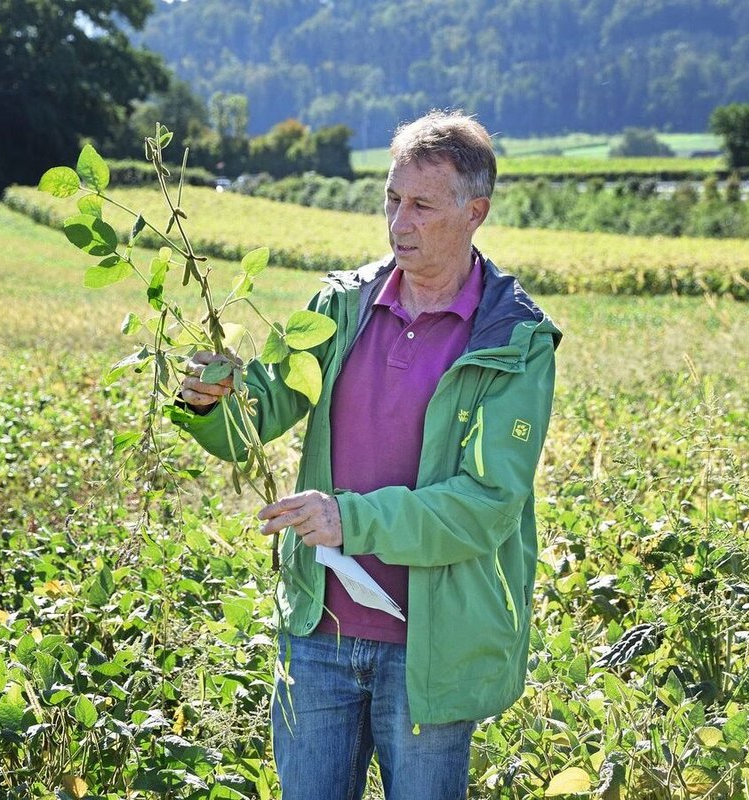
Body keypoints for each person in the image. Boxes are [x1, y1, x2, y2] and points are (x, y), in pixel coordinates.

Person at [175, 109, 562, 800]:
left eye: (420, 205)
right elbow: (258, 414)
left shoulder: (515, 339)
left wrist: (350, 519)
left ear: (475, 212)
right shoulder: (341, 304)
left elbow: (487, 505)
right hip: (319, 631)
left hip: (430, 645)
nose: (398, 223)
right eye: (391, 199)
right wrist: (214, 401)